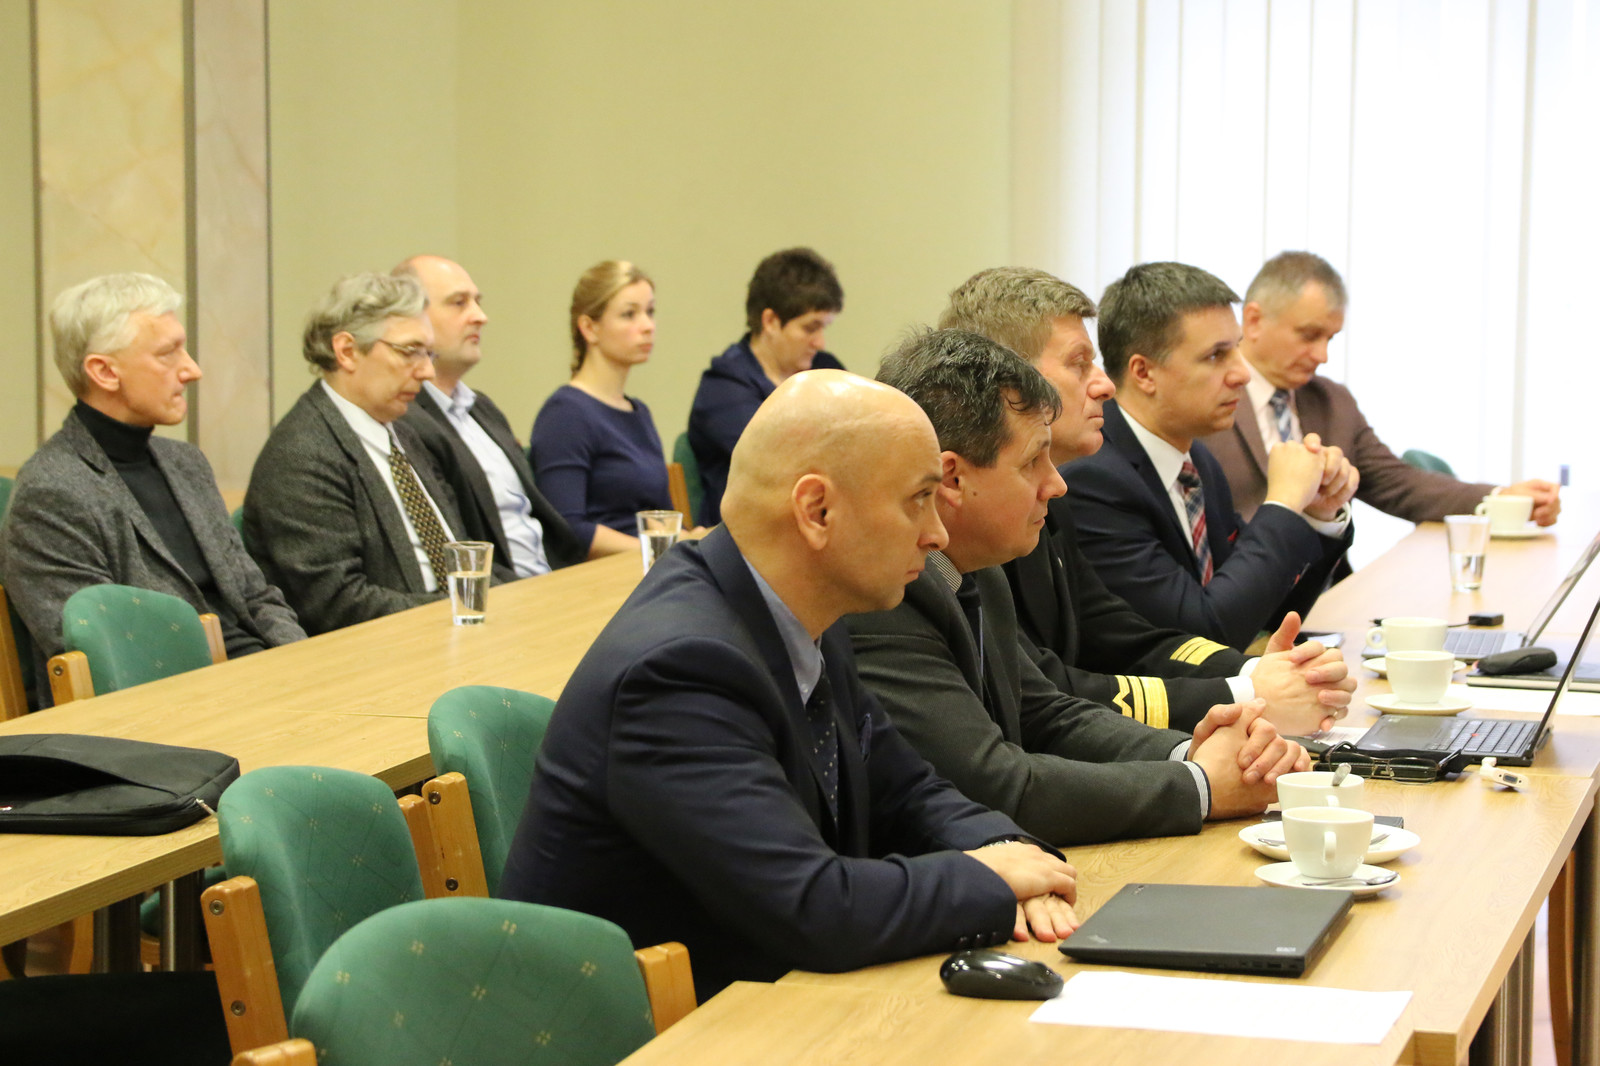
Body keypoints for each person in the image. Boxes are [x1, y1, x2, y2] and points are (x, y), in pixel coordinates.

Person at [499, 370, 1079, 1001]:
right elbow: (814, 908)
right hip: (653, 1031)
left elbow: (907, 791)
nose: (937, 532)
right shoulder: (680, 670)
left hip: (758, 1000)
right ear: (817, 511)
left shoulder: (801, 613)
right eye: (918, 498)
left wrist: (1007, 849)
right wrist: (990, 881)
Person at [852, 327, 1307, 847]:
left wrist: (1190, 754)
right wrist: (1200, 786)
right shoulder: (885, 594)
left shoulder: (975, 567)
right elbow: (994, 784)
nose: (1057, 484)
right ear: (952, 479)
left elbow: (1046, 713)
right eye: (1032, 462)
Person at [937, 267, 1353, 735]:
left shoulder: (1077, 490)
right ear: (1006, 378)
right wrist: (1246, 692)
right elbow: (1044, 695)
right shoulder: (1081, 481)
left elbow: (1125, 636)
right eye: (1079, 364)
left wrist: (1259, 673)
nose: (1104, 385)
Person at [0, 273, 303, 697]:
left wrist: (301, 665)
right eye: (167, 354)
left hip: (262, 682)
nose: (192, 370)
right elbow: (111, 657)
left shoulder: (186, 463)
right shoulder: (51, 493)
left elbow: (256, 595)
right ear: (104, 372)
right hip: (173, 707)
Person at [1061, 262, 1357, 649]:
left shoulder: (1196, 460)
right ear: (1144, 373)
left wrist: (1315, 514)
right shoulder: (1092, 479)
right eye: (1217, 356)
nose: (1242, 374)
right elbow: (1203, 634)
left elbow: (1261, 612)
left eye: (1236, 348)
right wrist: (1283, 505)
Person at [1202, 250, 1561, 526]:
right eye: (1309, 335)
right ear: (1254, 320)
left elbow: (1401, 484)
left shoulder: (1332, 402)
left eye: (1330, 339)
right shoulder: (1204, 399)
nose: (1322, 355)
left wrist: (1500, 497)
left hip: (1326, 589)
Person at [243, 272, 472, 634]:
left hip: (449, 629)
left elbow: (462, 555)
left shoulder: (407, 433)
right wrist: (468, 608)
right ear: (347, 351)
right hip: (382, 650)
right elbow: (336, 604)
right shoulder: (301, 455)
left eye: (429, 354)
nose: (427, 371)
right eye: (410, 351)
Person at [392, 255, 587, 579]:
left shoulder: (483, 409)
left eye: (477, 302)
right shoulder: (404, 423)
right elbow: (453, 551)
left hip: (556, 582)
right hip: (502, 595)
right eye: (459, 303)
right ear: (410, 319)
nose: (480, 317)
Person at [687, 247, 845, 524]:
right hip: (752, 534)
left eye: (825, 328)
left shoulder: (825, 367)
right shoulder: (723, 388)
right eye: (810, 328)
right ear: (770, 321)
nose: (820, 342)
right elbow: (785, 464)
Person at [528, 260, 673, 556]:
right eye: (629, 314)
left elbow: (660, 515)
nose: (647, 326)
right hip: (602, 572)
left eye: (650, 312)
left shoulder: (639, 412)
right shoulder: (565, 414)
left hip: (650, 564)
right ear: (589, 328)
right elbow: (569, 528)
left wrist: (683, 540)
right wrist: (661, 549)